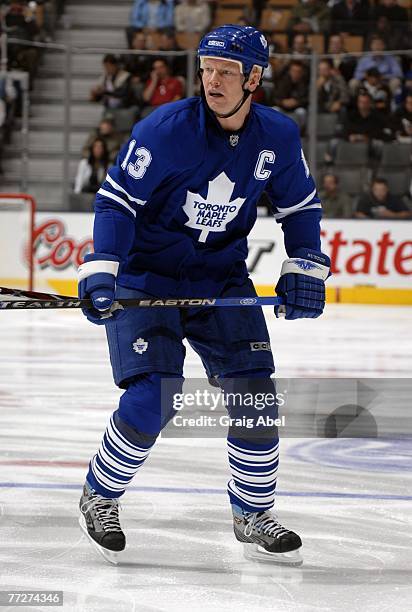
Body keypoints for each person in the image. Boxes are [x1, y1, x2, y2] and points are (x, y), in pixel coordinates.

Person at [77, 24, 330, 566]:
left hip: (221, 279)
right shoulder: (165, 130)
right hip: (146, 277)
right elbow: (116, 202)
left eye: (227, 71)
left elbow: (301, 208)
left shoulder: (279, 137)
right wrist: (103, 269)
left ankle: (253, 513)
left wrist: (306, 266)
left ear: (254, 78)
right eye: (207, 68)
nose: (212, 80)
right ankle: (99, 497)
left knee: (255, 395)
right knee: (156, 395)